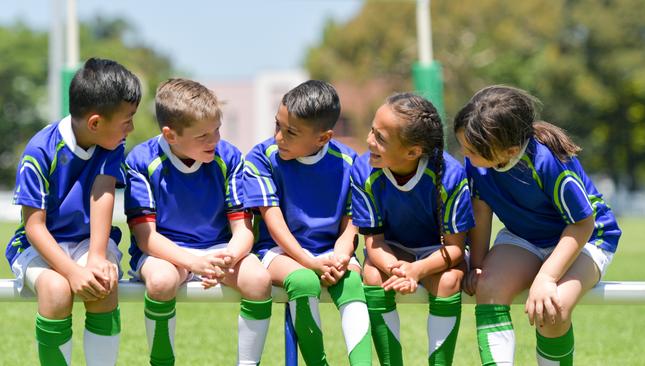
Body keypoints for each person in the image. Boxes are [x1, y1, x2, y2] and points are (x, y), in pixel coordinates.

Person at [454, 85, 621, 365]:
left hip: (588, 239)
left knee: (553, 308)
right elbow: (481, 212)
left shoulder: (547, 162)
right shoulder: (477, 161)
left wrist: (546, 278)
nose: (464, 154)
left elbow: (582, 223)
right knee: (488, 288)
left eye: (470, 149)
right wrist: (478, 264)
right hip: (526, 237)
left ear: (509, 150)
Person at [124, 78, 272, 366]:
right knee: (162, 282)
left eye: (217, 129)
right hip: (165, 253)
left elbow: (243, 230)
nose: (214, 140)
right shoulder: (141, 161)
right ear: (170, 135)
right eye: (203, 135)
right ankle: (162, 362)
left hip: (219, 249)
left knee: (259, 280)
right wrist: (193, 263)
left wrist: (229, 256)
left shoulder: (228, 157)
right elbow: (147, 239)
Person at [5, 57, 141, 366]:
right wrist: (70, 271)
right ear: (95, 123)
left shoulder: (112, 142)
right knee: (55, 290)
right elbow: (34, 227)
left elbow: (102, 192)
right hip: (39, 246)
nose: (131, 128)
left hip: (86, 241)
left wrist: (95, 257)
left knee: (104, 282)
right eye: (127, 120)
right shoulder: (40, 151)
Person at [243, 80, 372, 366]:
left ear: (323, 138)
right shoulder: (261, 158)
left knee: (352, 283)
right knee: (303, 281)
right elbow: (271, 217)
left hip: (330, 251)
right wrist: (308, 262)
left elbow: (353, 219)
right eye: (277, 125)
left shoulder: (350, 162)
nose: (278, 137)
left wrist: (342, 251)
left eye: (290, 132)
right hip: (278, 252)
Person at [351, 93, 474, 366]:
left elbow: (454, 248)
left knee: (448, 282)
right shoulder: (363, 170)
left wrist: (417, 271)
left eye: (380, 138)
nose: (369, 141)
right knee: (372, 273)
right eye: (372, 131)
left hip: (438, 255)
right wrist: (398, 269)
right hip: (393, 252)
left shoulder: (450, 175)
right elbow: (373, 242)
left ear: (413, 151)